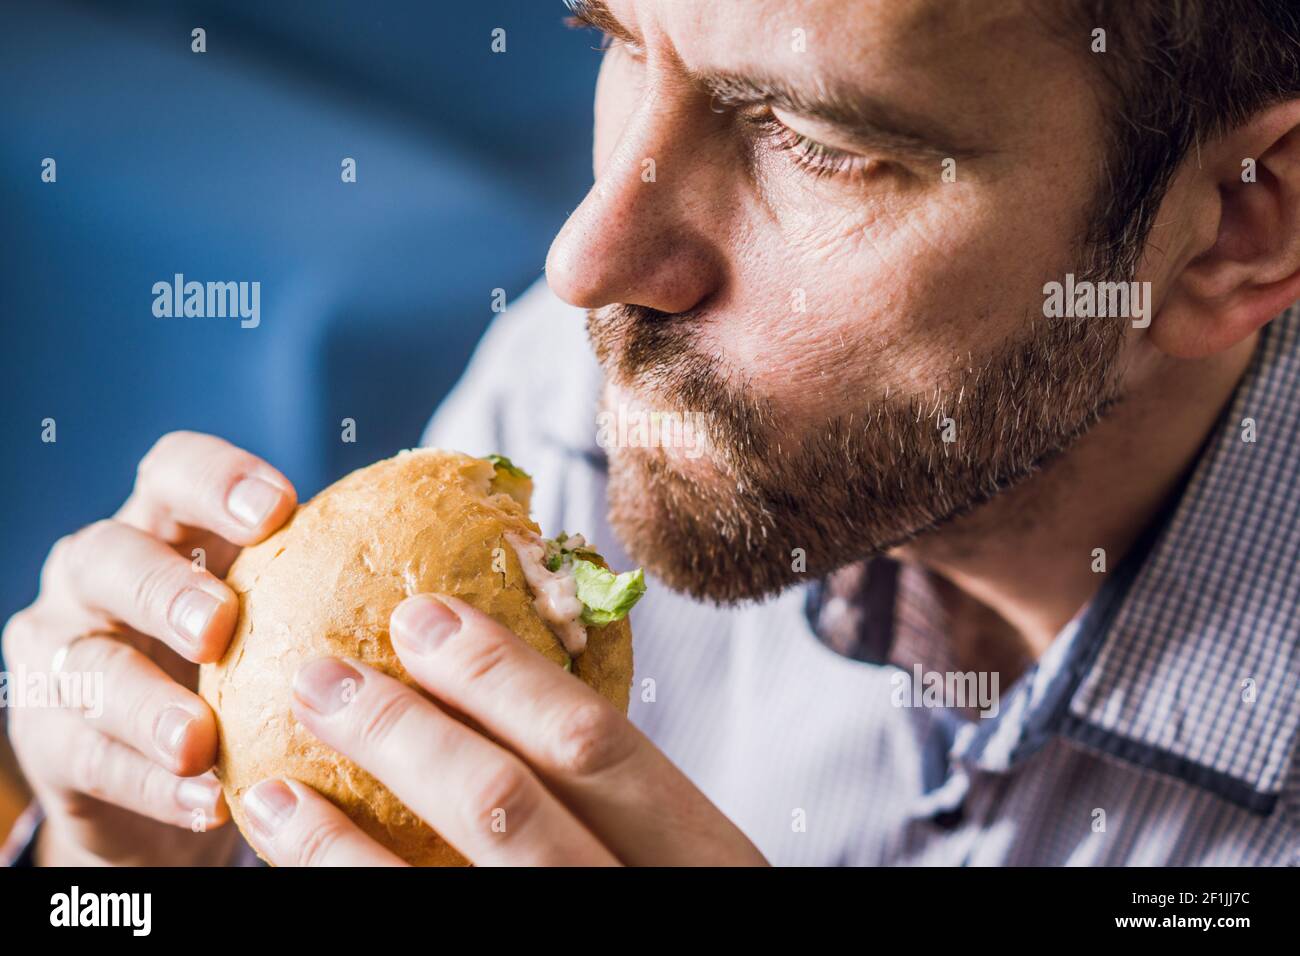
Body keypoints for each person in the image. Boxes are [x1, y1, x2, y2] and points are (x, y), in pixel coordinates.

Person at [5, 0, 1299, 866]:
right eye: (619, 36)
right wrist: (110, 862)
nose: (586, 261)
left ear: (1238, 228)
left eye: (816, 140)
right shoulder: (584, 408)